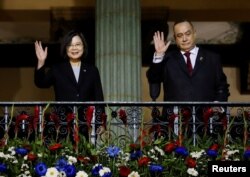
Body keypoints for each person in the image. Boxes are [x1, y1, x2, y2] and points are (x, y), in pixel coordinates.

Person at [147, 20, 230, 138]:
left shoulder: (212, 58)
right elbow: (153, 78)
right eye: (180, 35)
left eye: (188, 33)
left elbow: (222, 86)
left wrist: (217, 105)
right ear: (175, 39)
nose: (184, 39)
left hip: (206, 123)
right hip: (175, 124)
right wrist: (159, 55)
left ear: (194, 33)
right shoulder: (168, 59)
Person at [34, 30, 104, 142]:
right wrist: (41, 61)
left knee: (85, 157)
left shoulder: (92, 70)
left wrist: (100, 122)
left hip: (85, 124)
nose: (74, 48)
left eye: (77, 44)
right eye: (70, 45)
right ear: (65, 48)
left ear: (83, 47)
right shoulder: (57, 69)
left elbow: (98, 97)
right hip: (62, 123)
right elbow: (41, 83)